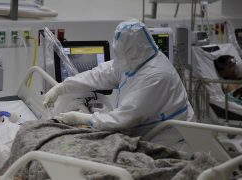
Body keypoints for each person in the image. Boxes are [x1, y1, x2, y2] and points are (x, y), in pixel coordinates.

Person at [43, 19, 194, 147]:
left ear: (135, 50)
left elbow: (124, 118)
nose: (119, 58)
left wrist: (83, 119)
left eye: (123, 53)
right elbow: (99, 75)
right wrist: (62, 87)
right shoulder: (135, 60)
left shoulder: (156, 76)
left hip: (169, 139)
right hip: (145, 131)